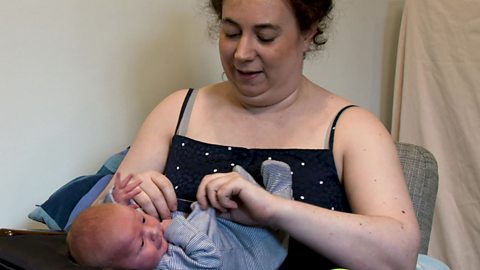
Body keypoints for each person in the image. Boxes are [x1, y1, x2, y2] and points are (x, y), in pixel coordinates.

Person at [93, 0, 421, 269]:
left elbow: (399, 257)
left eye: (265, 36)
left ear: (308, 34)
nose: (242, 54)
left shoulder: (353, 129)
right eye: (231, 32)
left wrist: (275, 210)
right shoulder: (178, 110)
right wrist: (132, 196)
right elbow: (94, 231)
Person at [69, 160, 292, 270]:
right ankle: (280, 194)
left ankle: (271, 201)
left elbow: (116, 225)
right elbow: (209, 259)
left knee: (223, 196)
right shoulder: (166, 267)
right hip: (254, 250)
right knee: (229, 204)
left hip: (226, 232)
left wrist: (117, 201)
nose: (152, 232)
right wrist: (175, 229)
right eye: (140, 245)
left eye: (143, 220)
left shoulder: (135, 238)